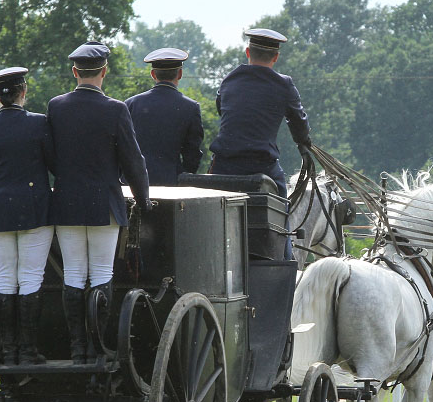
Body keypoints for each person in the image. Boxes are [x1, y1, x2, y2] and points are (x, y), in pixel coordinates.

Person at [47, 41, 151, 363]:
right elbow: (134, 161)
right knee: (103, 272)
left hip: (66, 202)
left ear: (75, 72)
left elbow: (51, 157)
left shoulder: (56, 106)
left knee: (75, 274)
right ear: (104, 72)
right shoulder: (116, 109)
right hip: (104, 202)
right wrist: (144, 200)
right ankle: (97, 347)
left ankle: (78, 348)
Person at [0, 66, 55, 365]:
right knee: (31, 277)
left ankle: (8, 351)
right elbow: (52, 163)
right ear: (24, 91)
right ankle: (28, 350)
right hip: (34, 206)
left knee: (5, 277)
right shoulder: (39, 123)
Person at [209, 29, 311, 258]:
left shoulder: (229, 79)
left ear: (247, 52)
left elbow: (220, 108)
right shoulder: (283, 84)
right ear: (275, 57)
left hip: (224, 166)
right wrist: (304, 143)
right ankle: (283, 262)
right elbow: (298, 119)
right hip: (262, 167)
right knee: (282, 214)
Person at [125, 48, 204, 185]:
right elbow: (193, 154)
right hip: (171, 183)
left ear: (152, 74)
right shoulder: (191, 107)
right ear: (179, 74)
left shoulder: (131, 104)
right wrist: (184, 177)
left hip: (133, 183)